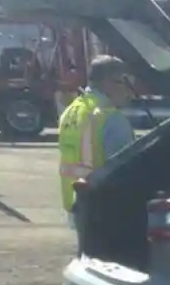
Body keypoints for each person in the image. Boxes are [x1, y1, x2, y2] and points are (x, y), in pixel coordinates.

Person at [57, 56, 136, 219]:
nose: (130, 91)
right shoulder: (111, 118)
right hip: (105, 208)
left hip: (76, 203)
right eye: (125, 83)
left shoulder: (71, 111)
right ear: (108, 82)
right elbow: (125, 172)